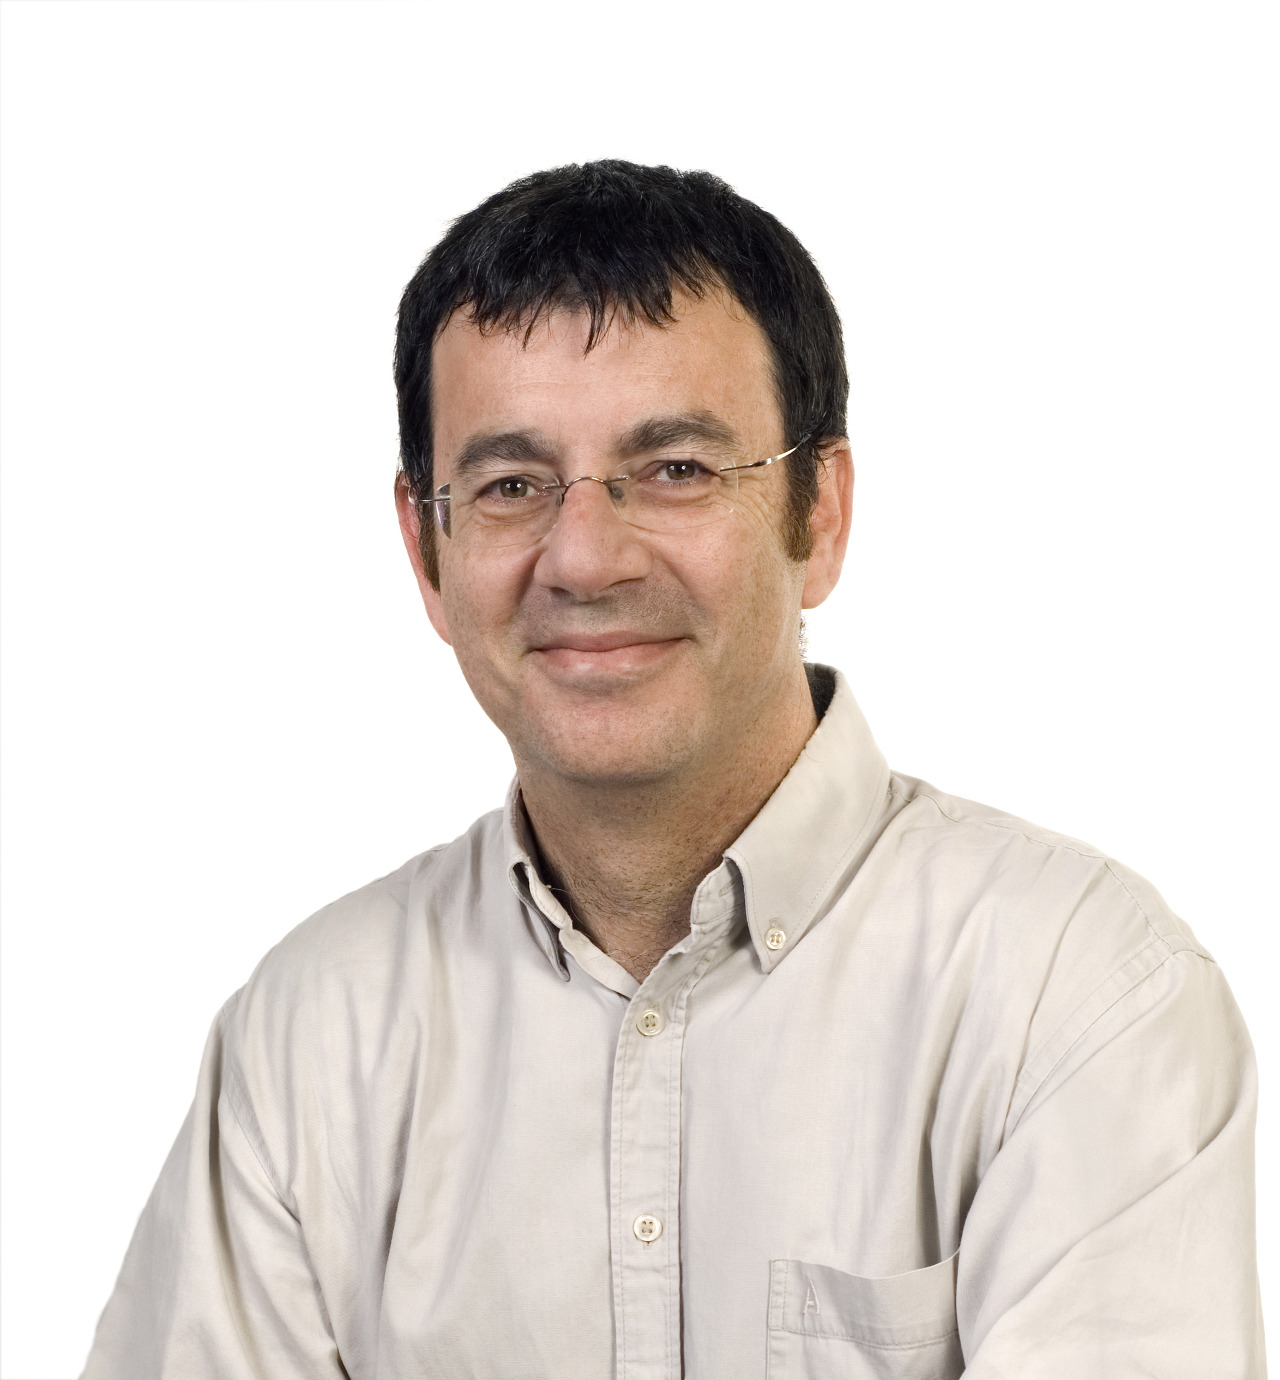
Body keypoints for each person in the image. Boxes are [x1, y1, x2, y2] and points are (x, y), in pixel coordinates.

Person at [82, 160, 1264, 1379]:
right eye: (509, 485)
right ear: (425, 550)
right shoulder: (309, 1037)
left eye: (676, 470)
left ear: (818, 515)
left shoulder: (1074, 996)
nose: (583, 559)